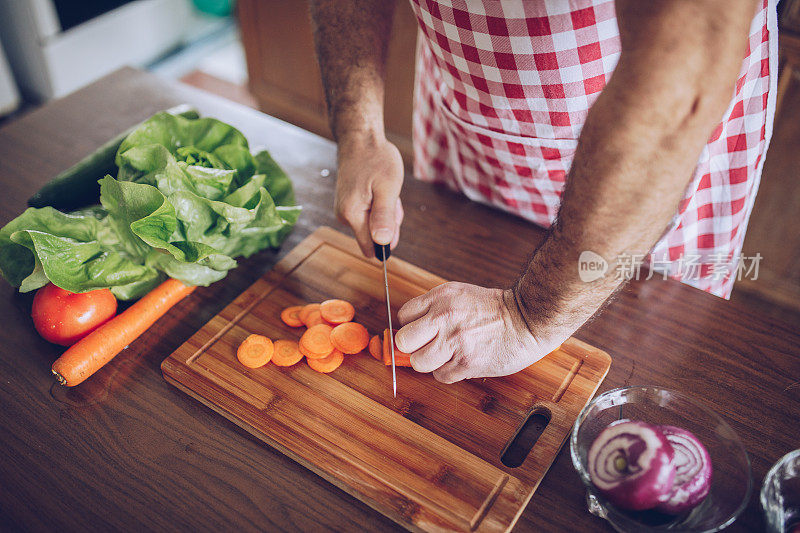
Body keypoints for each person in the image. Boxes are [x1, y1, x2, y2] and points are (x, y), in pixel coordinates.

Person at [309, 0, 777, 383]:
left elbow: (679, 85)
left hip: (656, 153)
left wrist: (528, 318)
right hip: (469, 104)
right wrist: (359, 132)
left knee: (643, 362)